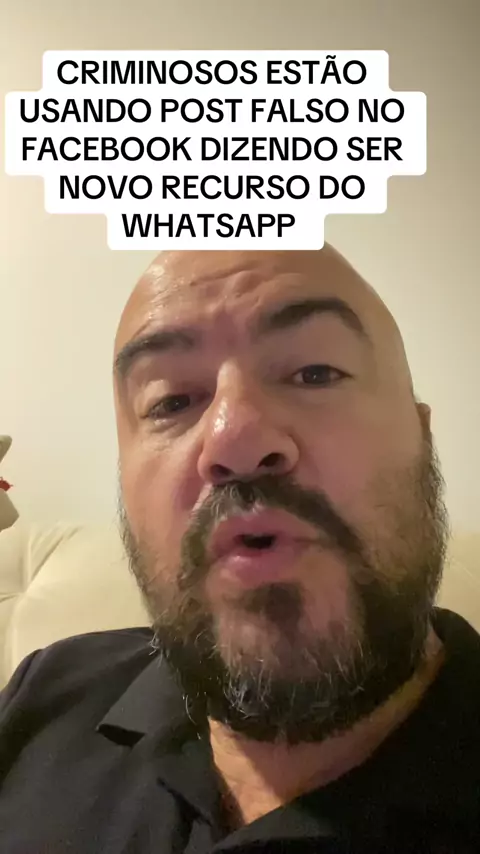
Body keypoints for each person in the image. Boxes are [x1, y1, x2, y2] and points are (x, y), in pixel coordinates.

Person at [0, 247, 479, 853]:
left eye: (315, 373)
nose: (234, 440)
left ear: (423, 437)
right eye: (172, 401)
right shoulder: (44, 694)